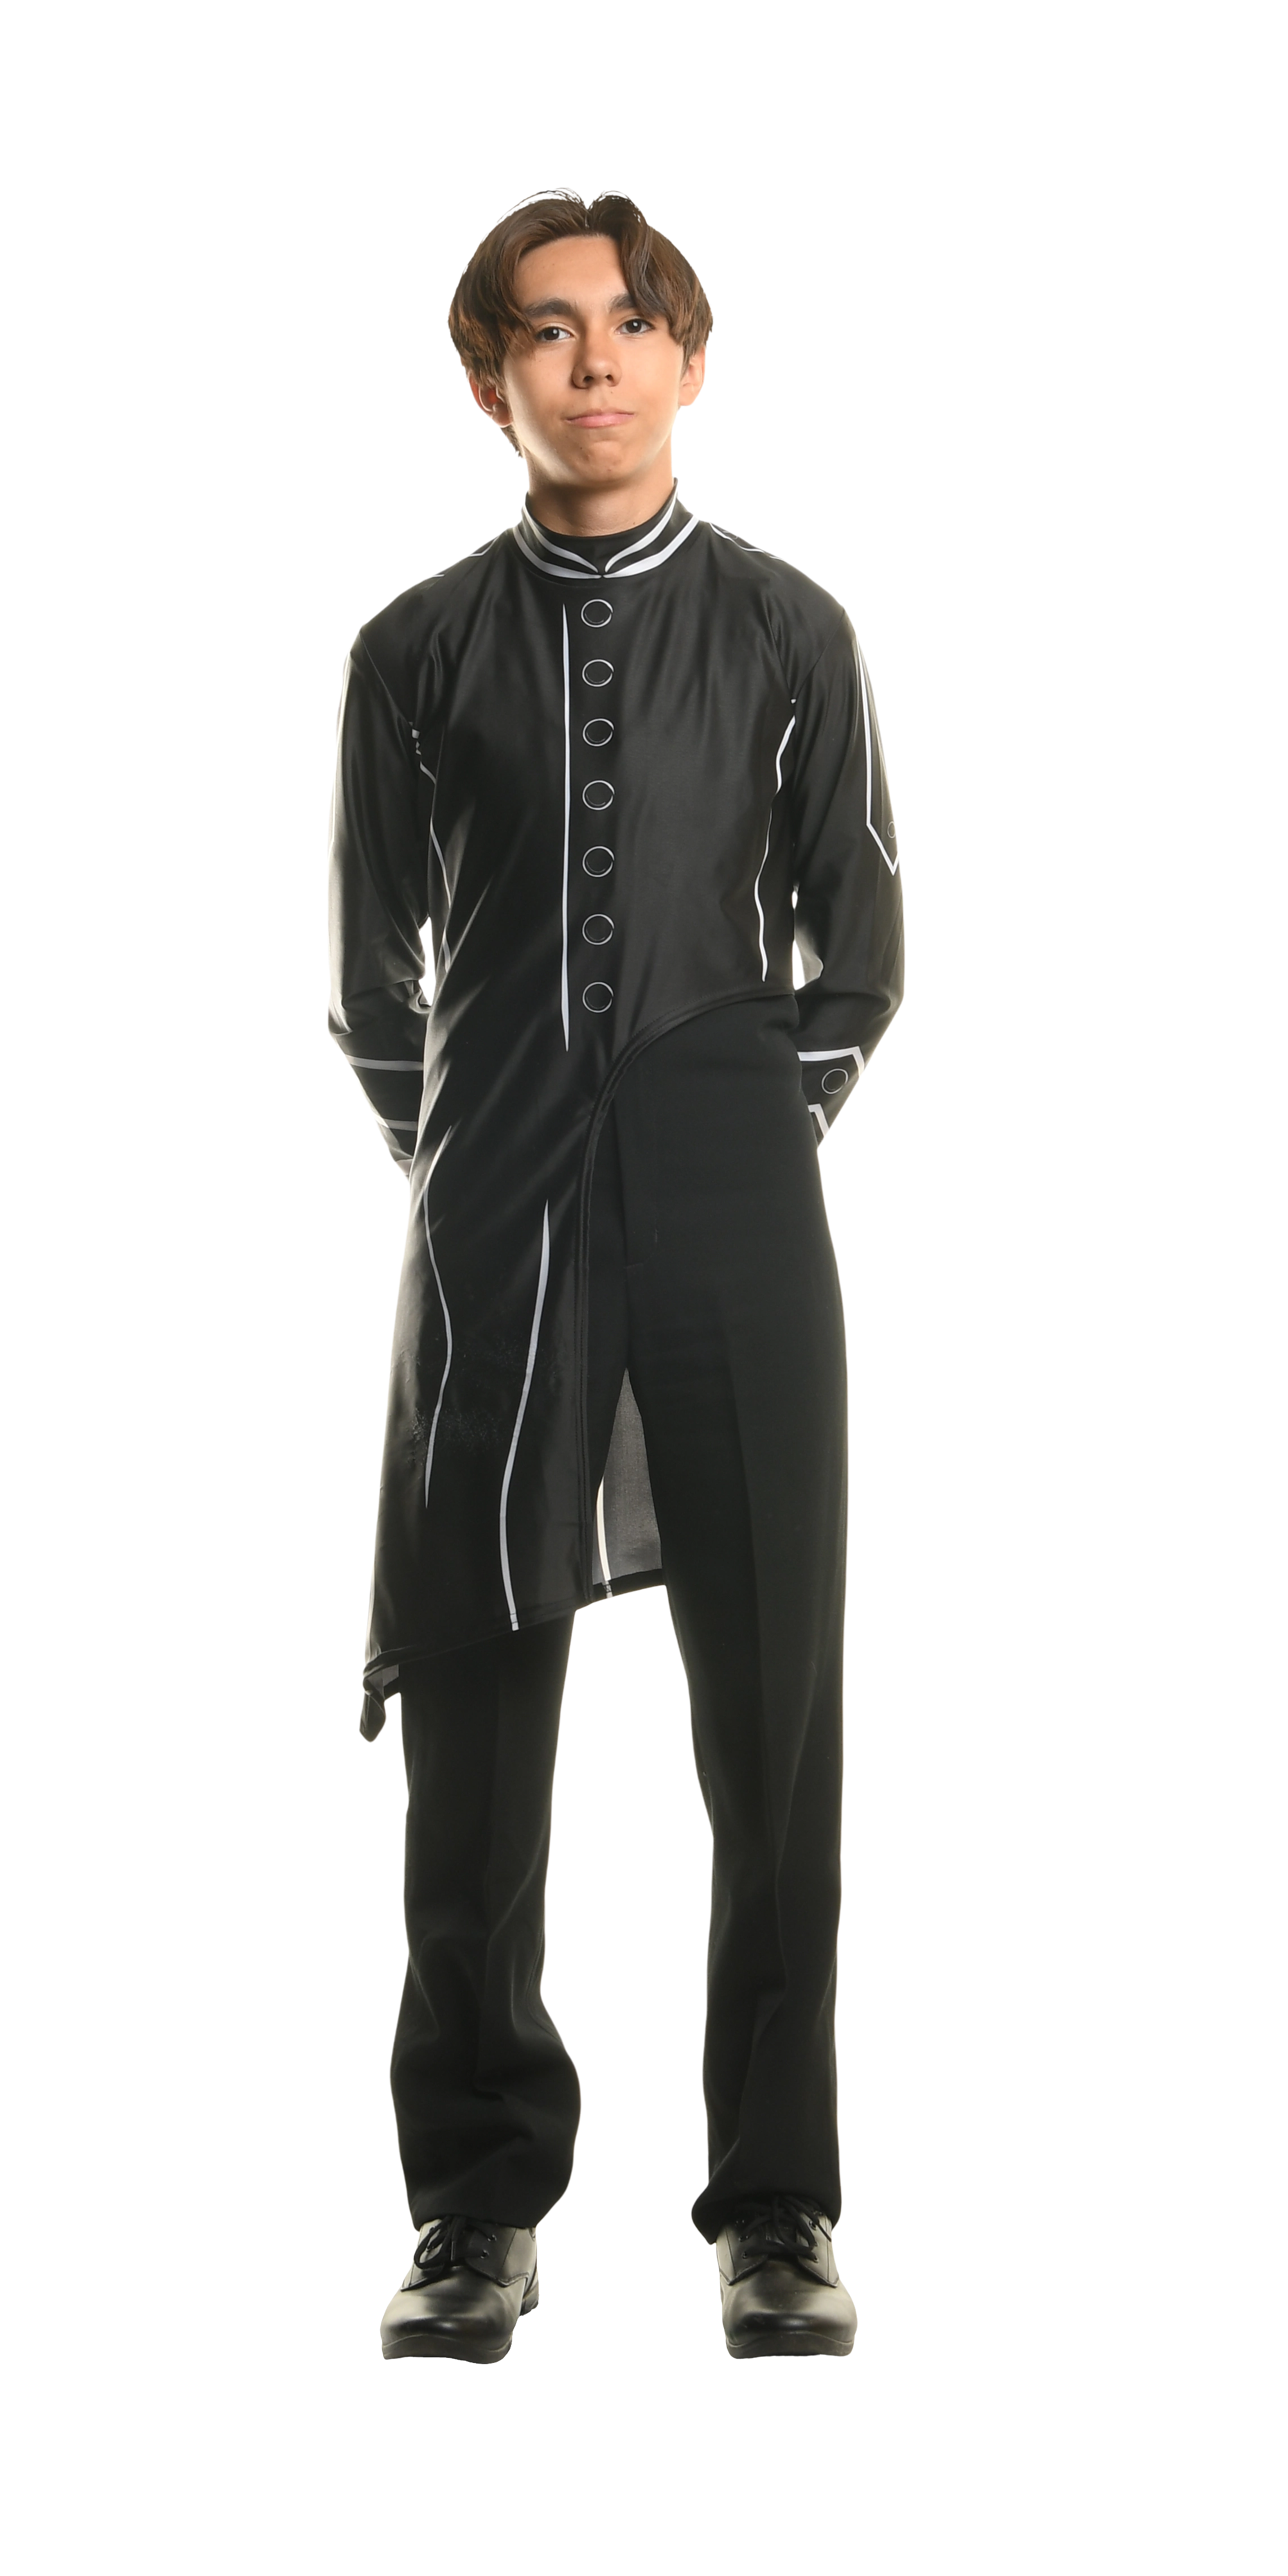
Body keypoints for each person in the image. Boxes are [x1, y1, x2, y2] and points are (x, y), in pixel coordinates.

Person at [326, 187, 905, 2362]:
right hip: (495, 1214)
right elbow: (373, 983)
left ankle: (779, 2208)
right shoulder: (411, 654)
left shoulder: (787, 632)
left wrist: (730, 1135)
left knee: (776, 1713)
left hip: (737, 1199)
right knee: (480, 1704)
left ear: (690, 356)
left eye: (633, 321)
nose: (596, 361)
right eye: (547, 329)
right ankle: (476, 2207)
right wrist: (483, 1154)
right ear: (487, 377)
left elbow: (861, 951)